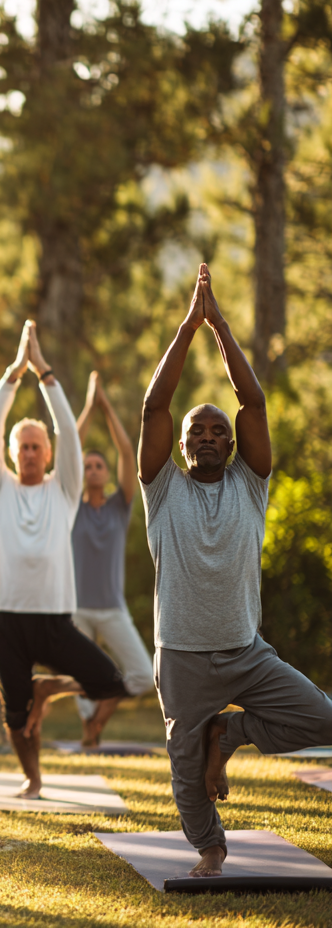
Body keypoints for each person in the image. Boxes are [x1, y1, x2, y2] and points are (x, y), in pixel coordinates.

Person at [139, 264, 332, 878]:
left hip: (247, 652)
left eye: (219, 431)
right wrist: (187, 328)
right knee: (183, 772)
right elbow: (155, 404)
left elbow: (253, 400)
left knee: (323, 717)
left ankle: (233, 734)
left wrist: (219, 324)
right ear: (184, 445)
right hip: (185, 657)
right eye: (199, 430)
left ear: (232, 445)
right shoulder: (162, 489)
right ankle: (212, 850)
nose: (211, 436)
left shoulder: (253, 486)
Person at [0, 320, 128, 799]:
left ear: (49, 454)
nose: (28, 452)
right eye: (21, 446)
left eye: (36, 446)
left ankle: (48, 688)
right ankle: (33, 778)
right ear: (10, 453)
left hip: (53, 617)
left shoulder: (65, 490)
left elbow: (68, 429)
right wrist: (12, 373)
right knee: (15, 715)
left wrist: (44, 373)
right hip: (3, 615)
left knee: (108, 681)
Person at [71, 371, 155, 747]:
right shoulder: (72, 507)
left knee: (141, 674)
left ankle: (95, 727)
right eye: (86, 466)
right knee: (77, 682)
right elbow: (71, 447)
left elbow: (126, 452)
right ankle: (90, 730)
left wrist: (106, 407)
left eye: (97, 466)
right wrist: (88, 406)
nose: (91, 470)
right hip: (76, 611)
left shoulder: (121, 506)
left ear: (106, 474)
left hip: (112, 608)